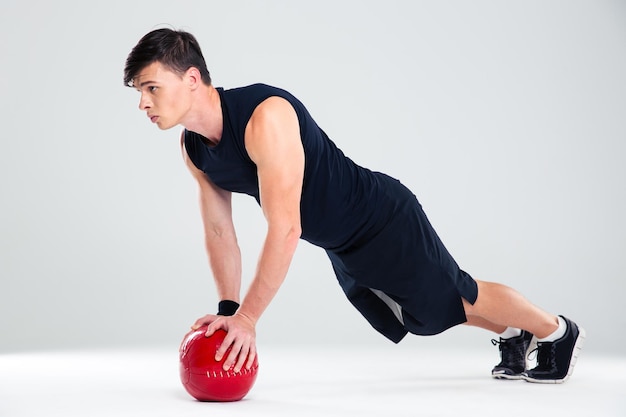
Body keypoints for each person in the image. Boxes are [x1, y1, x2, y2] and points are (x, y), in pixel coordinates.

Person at [124, 28, 585, 384]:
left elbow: (285, 229)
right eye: (138, 93)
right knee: (423, 317)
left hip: (381, 219)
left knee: (459, 293)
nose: (143, 103)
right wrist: (228, 306)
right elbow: (220, 231)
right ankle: (511, 333)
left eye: (150, 88)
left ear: (190, 78)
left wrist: (248, 319)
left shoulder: (265, 117)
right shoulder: (195, 148)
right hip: (342, 241)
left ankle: (558, 331)